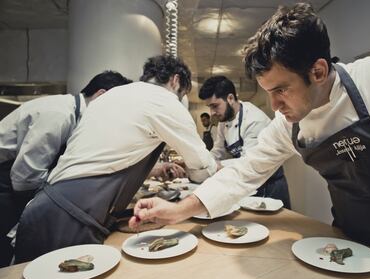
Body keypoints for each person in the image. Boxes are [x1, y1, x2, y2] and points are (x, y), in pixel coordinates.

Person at [130, 3, 370, 253]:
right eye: (267, 92)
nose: (274, 105)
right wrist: (178, 210)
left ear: (318, 72)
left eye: (281, 89)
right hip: (350, 241)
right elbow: (243, 173)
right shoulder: (287, 124)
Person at [13, 55, 218, 263]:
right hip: (72, 216)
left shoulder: (112, 96)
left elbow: (111, 154)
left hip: (44, 206)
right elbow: (203, 170)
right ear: (175, 81)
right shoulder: (165, 101)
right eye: (182, 93)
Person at [0, 70, 132, 267]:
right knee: (6, 249)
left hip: (15, 183)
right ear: (101, 95)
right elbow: (24, 177)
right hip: (5, 182)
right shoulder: (59, 114)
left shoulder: (74, 114)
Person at [199, 76, 290, 205]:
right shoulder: (223, 122)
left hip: (269, 186)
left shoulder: (254, 120)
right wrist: (202, 162)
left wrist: (217, 166)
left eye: (215, 106)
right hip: (249, 184)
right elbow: (219, 151)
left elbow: (250, 163)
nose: (212, 112)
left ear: (230, 98)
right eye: (209, 107)